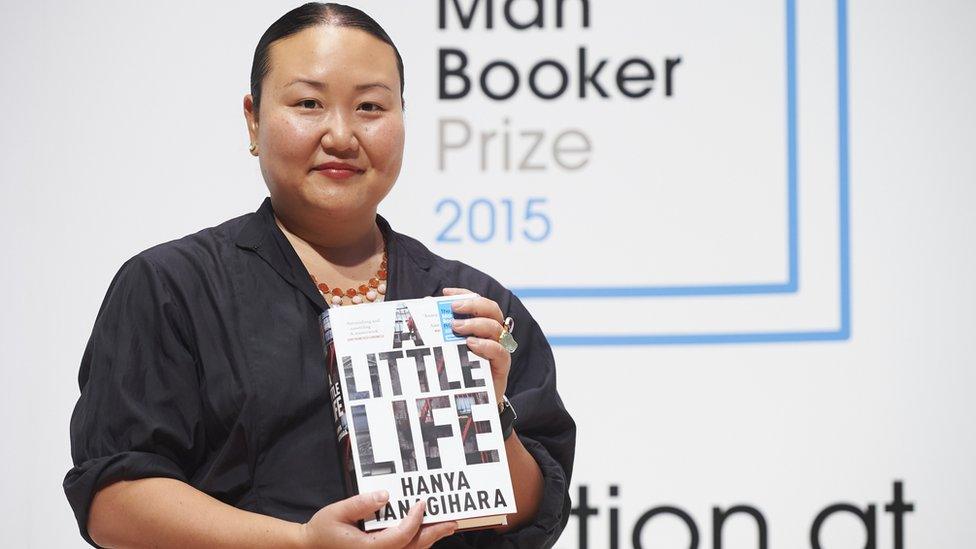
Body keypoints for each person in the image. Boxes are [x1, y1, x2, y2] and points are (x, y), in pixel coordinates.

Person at [63, 3, 575, 548]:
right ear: (253, 119)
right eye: (309, 103)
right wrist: (302, 544)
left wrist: (492, 415)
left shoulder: (471, 303)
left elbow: (533, 512)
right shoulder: (171, 286)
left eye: (371, 107)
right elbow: (113, 502)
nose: (341, 134)